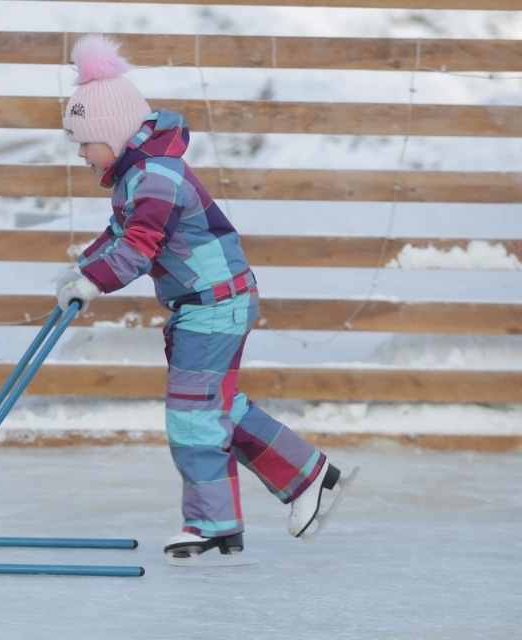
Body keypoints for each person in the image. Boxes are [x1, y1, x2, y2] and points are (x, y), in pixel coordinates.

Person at [55, 34, 354, 562]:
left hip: (214, 303)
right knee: (216, 406)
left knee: (192, 414)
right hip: (209, 302)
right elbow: (119, 233)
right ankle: (311, 475)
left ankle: (213, 524)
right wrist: (82, 269)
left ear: (110, 132)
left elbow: (139, 247)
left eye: (83, 141)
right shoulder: (137, 175)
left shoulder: (155, 180)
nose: (80, 153)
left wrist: (94, 282)